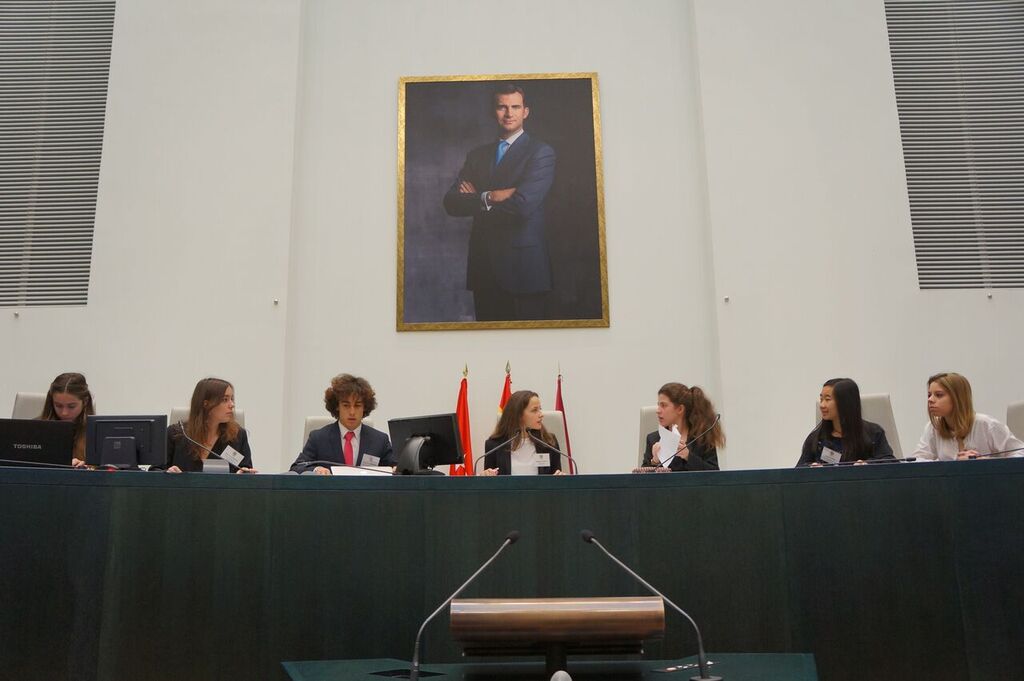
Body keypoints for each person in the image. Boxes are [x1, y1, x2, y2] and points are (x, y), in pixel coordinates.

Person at [443, 83, 556, 322]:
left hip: (523, 270)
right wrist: (491, 196)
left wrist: (476, 198)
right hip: (484, 268)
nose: (508, 113)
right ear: (493, 111)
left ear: (526, 111)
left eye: (515, 107)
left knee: (527, 344)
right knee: (486, 343)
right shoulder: (477, 155)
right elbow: (451, 202)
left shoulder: (540, 153)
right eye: (502, 107)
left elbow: (522, 206)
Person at [290, 374, 394, 474]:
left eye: (357, 406)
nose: (352, 412)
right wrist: (316, 469)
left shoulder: (380, 441)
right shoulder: (318, 438)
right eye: (346, 405)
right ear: (337, 406)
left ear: (364, 407)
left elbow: (396, 469)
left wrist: (396, 469)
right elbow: (297, 467)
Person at [912, 372, 1024, 461]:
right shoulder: (933, 428)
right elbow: (917, 461)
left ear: (958, 398)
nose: (930, 400)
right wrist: (948, 465)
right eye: (929, 395)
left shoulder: (987, 424)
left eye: (939, 395)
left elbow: (1020, 453)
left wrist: (984, 461)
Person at [797, 378, 895, 466]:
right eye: (821, 399)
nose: (822, 405)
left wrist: (867, 465)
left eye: (827, 399)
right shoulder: (817, 438)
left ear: (844, 403)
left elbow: (890, 463)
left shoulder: (873, 433)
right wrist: (811, 469)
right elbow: (798, 472)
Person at [166, 378, 255, 474]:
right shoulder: (175, 434)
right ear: (206, 404)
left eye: (232, 399)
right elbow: (156, 471)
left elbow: (246, 469)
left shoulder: (238, 436)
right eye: (225, 400)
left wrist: (244, 475)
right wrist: (168, 473)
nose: (232, 405)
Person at [641, 383, 723, 471]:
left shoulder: (701, 438)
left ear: (680, 409)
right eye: (658, 405)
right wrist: (654, 461)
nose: (658, 410)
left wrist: (688, 456)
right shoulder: (653, 439)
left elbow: (714, 474)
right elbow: (641, 478)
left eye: (663, 405)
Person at [481, 390, 563, 475]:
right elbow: (490, 481)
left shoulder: (549, 442)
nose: (541, 414)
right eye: (534, 410)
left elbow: (556, 476)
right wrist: (486, 475)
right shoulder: (494, 445)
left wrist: (560, 477)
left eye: (540, 409)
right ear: (518, 414)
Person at [39, 372, 95, 467]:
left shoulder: (95, 432)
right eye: (58, 406)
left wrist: (88, 467)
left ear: (85, 402)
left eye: (71, 406)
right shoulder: (36, 429)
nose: (64, 413)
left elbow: (106, 468)